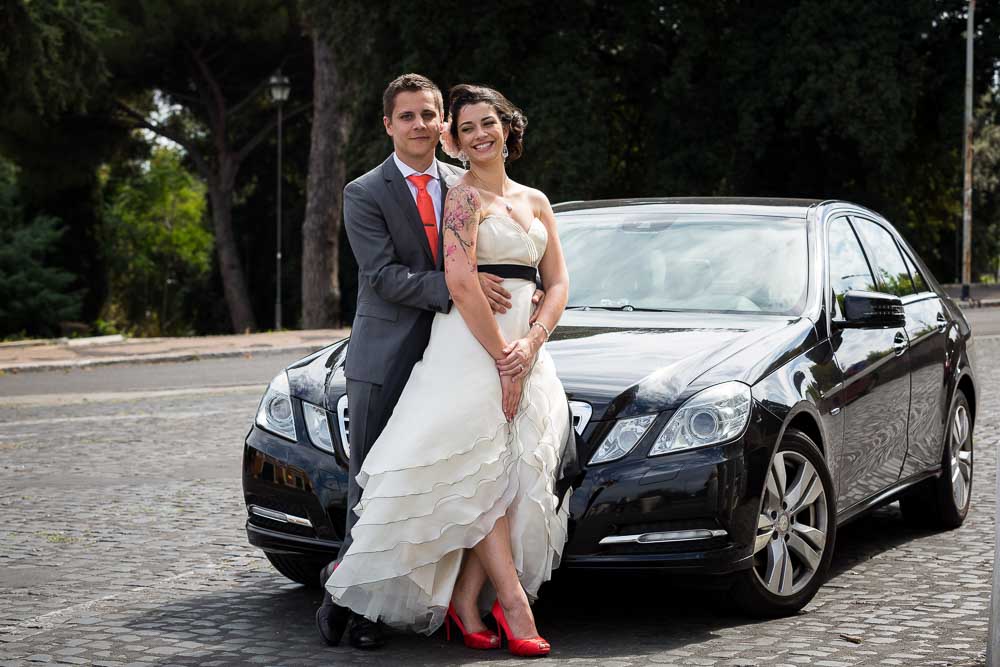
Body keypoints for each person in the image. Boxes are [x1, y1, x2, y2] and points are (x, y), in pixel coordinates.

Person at [325, 83, 572, 658]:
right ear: (388, 123)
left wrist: (531, 342)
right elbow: (389, 275)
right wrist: (490, 339)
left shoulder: (511, 194)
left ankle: (465, 600)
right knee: (388, 481)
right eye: (406, 116)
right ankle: (354, 608)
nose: (420, 124)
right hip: (415, 350)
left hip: (512, 345)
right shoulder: (369, 193)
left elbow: (557, 279)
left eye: (430, 116)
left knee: (501, 473)